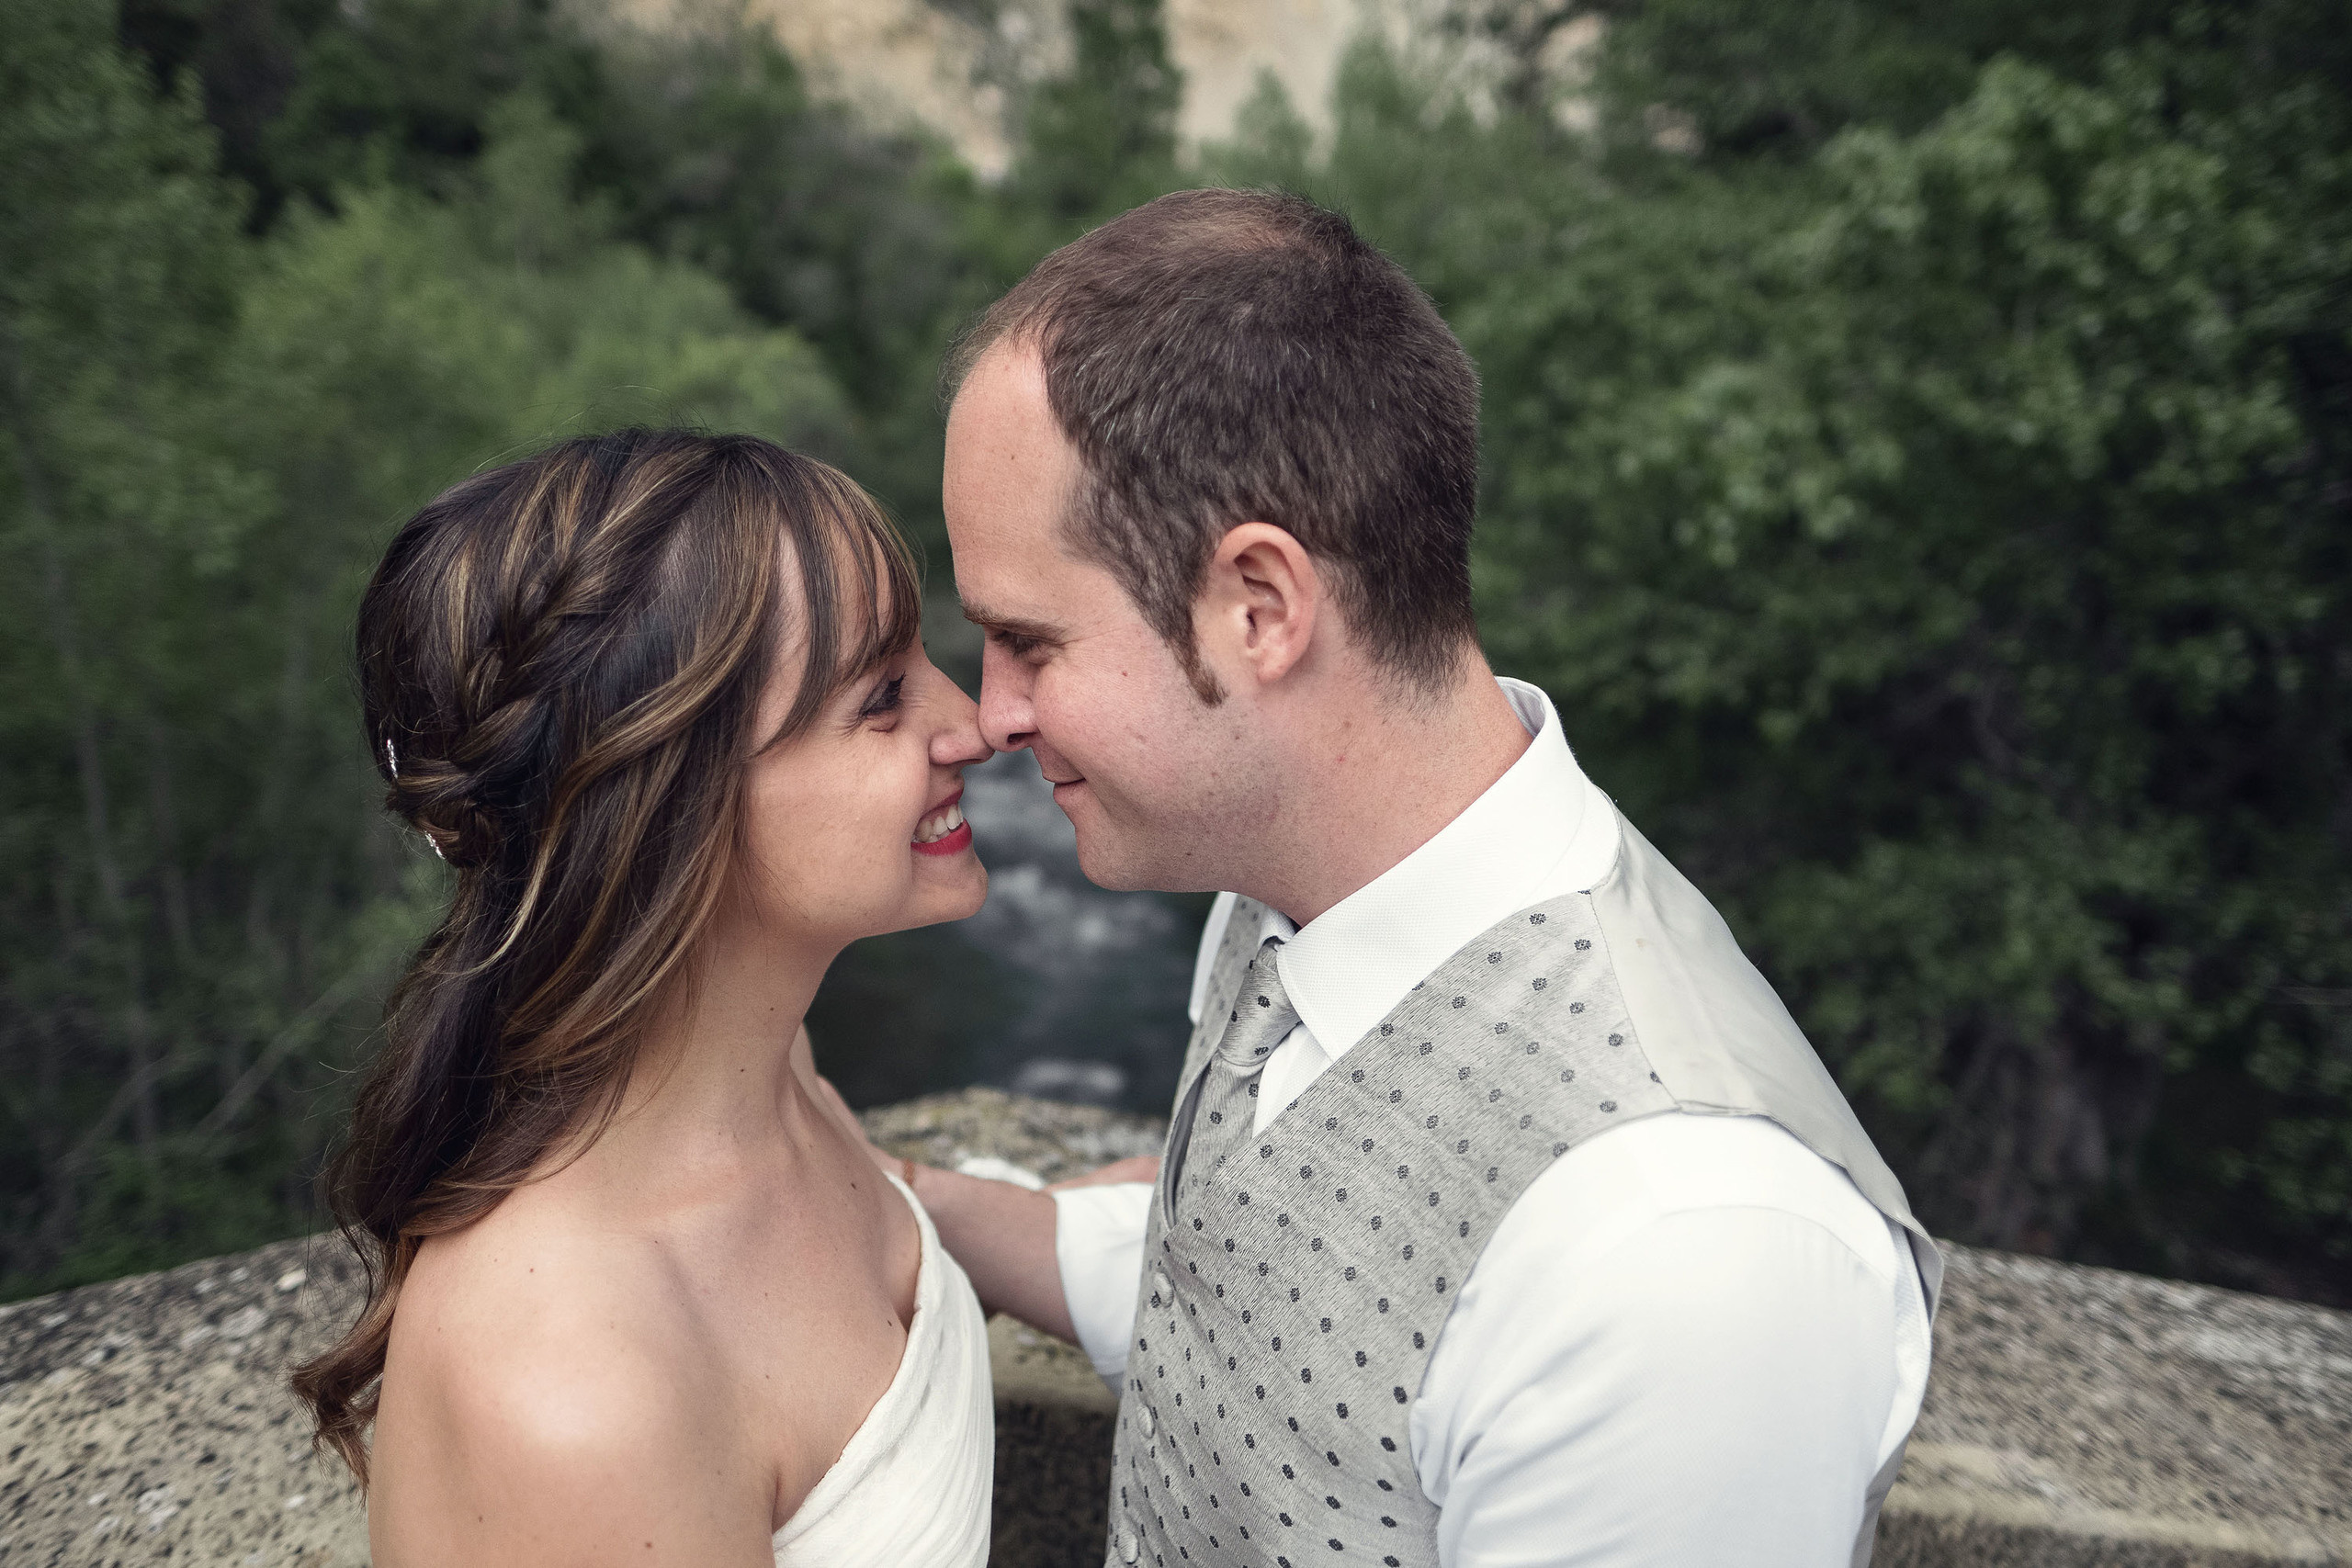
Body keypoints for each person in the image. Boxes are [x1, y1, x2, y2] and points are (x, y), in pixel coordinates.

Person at [898, 189, 1945, 1568]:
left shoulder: (1686, 1251)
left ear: (1259, 608)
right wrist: (911, 1205)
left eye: (1030, 640)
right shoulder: (1288, 885)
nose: (993, 712)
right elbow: (1274, 1304)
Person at [291, 431, 999, 1566]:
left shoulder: (772, 1075)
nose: (972, 722)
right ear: (670, 804)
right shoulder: (580, 1394)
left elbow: (849, 1227)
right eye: (882, 696)